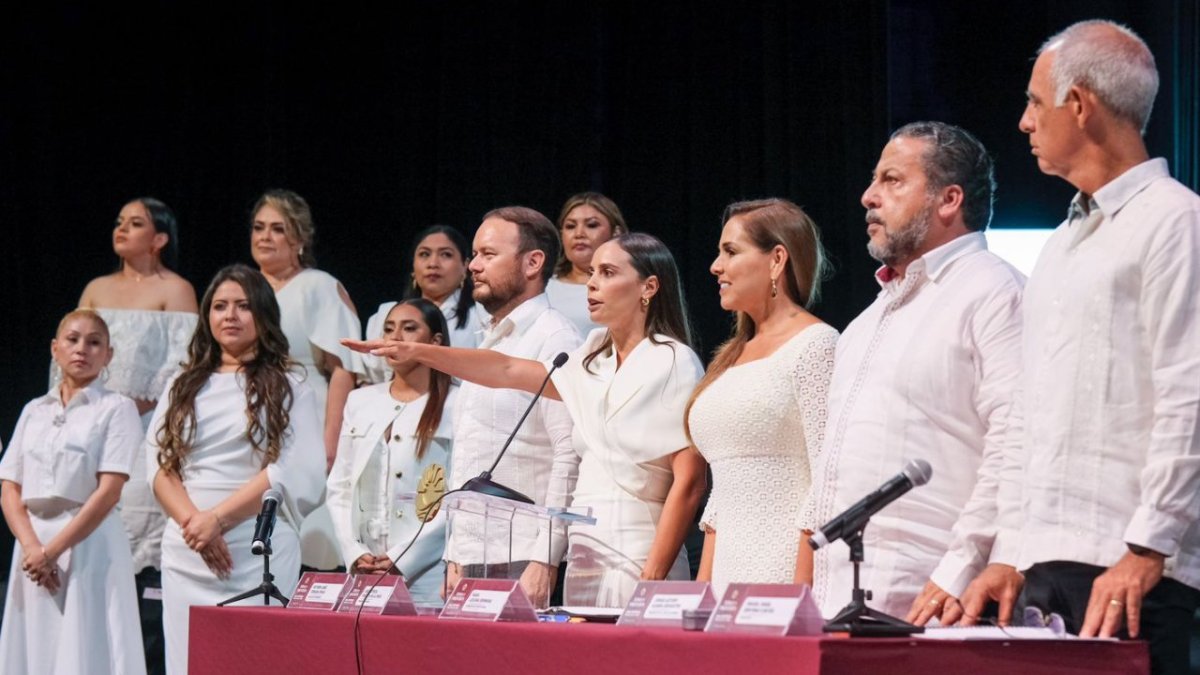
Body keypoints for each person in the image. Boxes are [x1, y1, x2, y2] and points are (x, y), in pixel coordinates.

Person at [960, 21, 1200, 675]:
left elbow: (1191, 392)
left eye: (1036, 102)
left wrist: (1149, 546)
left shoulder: (1177, 220)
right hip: (1045, 570)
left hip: (1131, 569)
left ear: (1080, 104)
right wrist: (1009, 549)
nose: (1023, 121)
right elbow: (1032, 412)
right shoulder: (1060, 246)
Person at [349, 233, 705, 608]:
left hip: (640, 550)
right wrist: (417, 352)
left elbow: (689, 481)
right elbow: (506, 369)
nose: (592, 282)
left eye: (608, 272)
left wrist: (653, 576)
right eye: (592, 271)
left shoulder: (671, 360)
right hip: (584, 556)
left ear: (648, 286)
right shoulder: (592, 358)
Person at [800, 122, 1024, 624]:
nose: (868, 197)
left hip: (938, 605)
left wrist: (960, 567)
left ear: (948, 200)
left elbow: (1017, 443)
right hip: (842, 605)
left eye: (892, 180)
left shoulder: (995, 293)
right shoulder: (865, 322)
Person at [351, 206, 580, 608]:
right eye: (474, 254)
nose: (474, 265)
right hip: (471, 556)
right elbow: (470, 459)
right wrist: (455, 552)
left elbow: (568, 454)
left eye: (488, 255)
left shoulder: (555, 337)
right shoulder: (489, 339)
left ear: (533, 262)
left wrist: (546, 557)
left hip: (522, 555)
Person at [147, 265, 325, 674]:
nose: (230, 315)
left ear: (263, 315)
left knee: (255, 659)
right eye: (220, 306)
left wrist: (217, 520)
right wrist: (196, 525)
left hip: (255, 547)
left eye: (243, 306)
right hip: (187, 549)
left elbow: (292, 467)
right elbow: (159, 465)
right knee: (188, 660)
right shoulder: (181, 385)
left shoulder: (289, 384)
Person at [682, 199, 837, 597]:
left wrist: (801, 588)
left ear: (777, 260)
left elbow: (827, 479)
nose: (716, 266)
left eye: (730, 251)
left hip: (783, 568)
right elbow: (724, 491)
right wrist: (704, 588)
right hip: (725, 575)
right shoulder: (732, 355)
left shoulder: (816, 345)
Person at [74, 196, 198, 674]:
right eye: (119, 221)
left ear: (160, 238)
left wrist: (131, 406)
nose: (122, 229)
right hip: (94, 424)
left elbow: (181, 364)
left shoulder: (177, 289)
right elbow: (71, 351)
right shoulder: (97, 286)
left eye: (136, 223)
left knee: (142, 547)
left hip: (147, 427)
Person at [0, 310, 145, 674]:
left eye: (94, 342)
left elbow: (108, 491)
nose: (82, 349)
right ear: (55, 348)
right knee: (36, 643)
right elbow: (9, 487)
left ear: (108, 355)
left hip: (88, 541)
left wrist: (54, 550)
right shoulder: (33, 410)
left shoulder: (116, 408)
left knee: (88, 642)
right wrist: (35, 549)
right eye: (73, 339)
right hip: (32, 546)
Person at [249, 189, 363, 570]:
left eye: (277, 229)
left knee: (302, 528)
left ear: (298, 239)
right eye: (259, 227)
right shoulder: (242, 290)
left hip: (303, 414)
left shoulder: (317, 286)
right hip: (248, 413)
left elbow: (344, 367)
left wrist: (330, 439)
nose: (264, 237)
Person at [327, 299, 458, 606]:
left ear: (435, 341)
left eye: (409, 328)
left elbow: (459, 494)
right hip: (366, 572)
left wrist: (404, 557)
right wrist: (353, 551)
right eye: (389, 329)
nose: (395, 337)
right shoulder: (360, 401)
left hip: (428, 573)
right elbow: (341, 486)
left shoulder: (457, 403)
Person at [360, 225, 490, 383]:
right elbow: (375, 377)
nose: (433, 263)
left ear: (465, 265)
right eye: (424, 254)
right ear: (413, 266)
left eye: (446, 255)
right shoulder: (385, 315)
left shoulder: (482, 315)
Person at [546, 192, 628, 336]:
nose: (579, 234)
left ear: (616, 232)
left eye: (591, 225)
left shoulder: (626, 285)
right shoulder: (542, 285)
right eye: (570, 226)